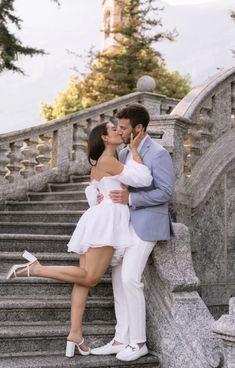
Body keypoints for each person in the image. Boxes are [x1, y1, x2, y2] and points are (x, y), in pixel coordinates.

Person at [6, 120, 153, 358]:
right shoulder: (107, 160)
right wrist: (135, 150)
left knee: (83, 281)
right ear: (105, 138)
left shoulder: (101, 163)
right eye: (113, 129)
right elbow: (144, 179)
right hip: (107, 220)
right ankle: (36, 268)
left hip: (97, 217)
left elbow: (94, 195)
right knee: (91, 277)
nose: (118, 131)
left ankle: (75, 334)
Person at [90, 104, 174, 362]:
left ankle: (139, 342)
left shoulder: (158, 153)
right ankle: (120, 339)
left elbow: (166, 192)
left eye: (124, 128)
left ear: (139, 128)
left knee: (129, 279)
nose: (120, 131)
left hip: (147, 224)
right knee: (117, 279)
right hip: (123, 225)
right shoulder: (124, 153)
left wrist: (131, 198)